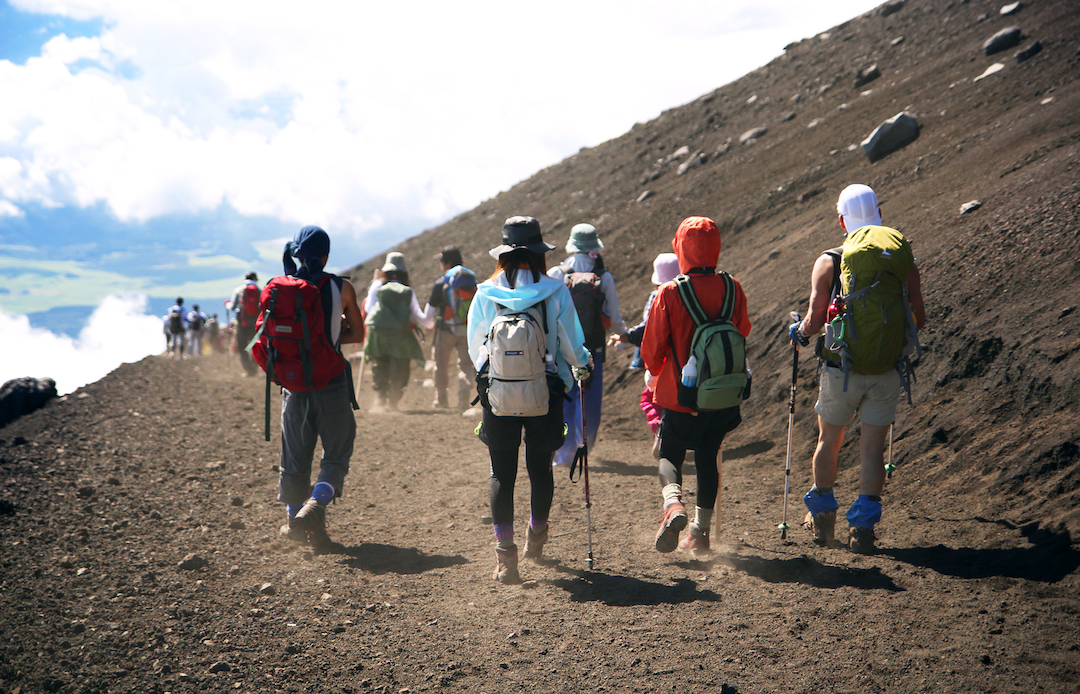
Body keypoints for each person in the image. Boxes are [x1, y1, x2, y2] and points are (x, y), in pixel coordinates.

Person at [790, 184, 925, 554]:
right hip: (886, 369)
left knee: (829, 441)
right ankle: (863, 529)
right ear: (878, 212)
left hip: (840, 368)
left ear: (841, 219)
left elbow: (816, 319)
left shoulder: (830, 259)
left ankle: (823, 517)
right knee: (871, 451)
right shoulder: (899, 256)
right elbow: (919, 317)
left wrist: (798, 334)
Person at [468, 216, 591, 584]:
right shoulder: (555, 290)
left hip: (499, 394)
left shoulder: (485, 291)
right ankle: (536, 536)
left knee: (501, 474)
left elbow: (476, 347)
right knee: (540, 468)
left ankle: (505, 559)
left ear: (503, 254)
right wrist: (582, 366)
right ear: (538, 252)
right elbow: (571, 344)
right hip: (546, 392)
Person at [641, 217, 752, 555]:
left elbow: (652, 351)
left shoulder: (671, 292)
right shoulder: (732, 285)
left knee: (668, 453)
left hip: (681, 395)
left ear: (680, 248)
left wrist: (658, 371)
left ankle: (673, 506)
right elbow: (742, 330)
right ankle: (700, 533)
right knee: (708, 457)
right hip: (722, 394)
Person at [275, 226, 365, 551]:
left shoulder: (283, 288)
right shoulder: (342, 289)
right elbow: (358, 335)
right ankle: (317, 503)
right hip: (331, 381)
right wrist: (334, 332)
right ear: (326, 255)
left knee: (295, 457)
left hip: (294, 385)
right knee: (337, 450)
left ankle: (295, 522)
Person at [547, 223, 628, 467]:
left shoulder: (556, 273)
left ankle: (563, 453)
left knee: (564, 399)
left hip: (562, 350)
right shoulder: (604, 277)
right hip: (593, 349)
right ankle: (584, 446)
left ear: (572, 245)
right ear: (595, 247)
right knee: (588, 401)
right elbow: (614, 318)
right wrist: (623, 336)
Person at [609, 252, 680, 458]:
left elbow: (647, 328)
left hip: (660, 361)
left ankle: (660, 430)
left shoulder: (658, 296)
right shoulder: (690, 296)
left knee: (650, 399)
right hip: (684, 359)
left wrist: (623, 337)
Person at [363, 252, 434, 410]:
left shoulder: (378, 285)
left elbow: (368, 308)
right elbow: (417, 314)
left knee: (380, 364)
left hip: (378, 335)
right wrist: (429, 325)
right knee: (401, 367)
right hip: (401, 336)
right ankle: (393, 401)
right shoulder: (407, 289)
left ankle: (381, 397)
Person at [423, 246, 478, 409]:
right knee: (467, 365)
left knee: (441, 364)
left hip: (445, 330)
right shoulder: (471, 280)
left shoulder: (442, 283)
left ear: (447, 263)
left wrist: (430, 324)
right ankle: (463, 394)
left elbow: (429, 313)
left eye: (441, 261)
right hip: (467, 330)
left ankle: (441, 399)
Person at [226, 272, 261, 376]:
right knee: (256, 346)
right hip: (256, 324)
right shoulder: (260, 291)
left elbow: (232, 307)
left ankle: (249, 370)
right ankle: (255, 367)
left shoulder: (238, 290)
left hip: (242, 323)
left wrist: (226, 303)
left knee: (242, 347)